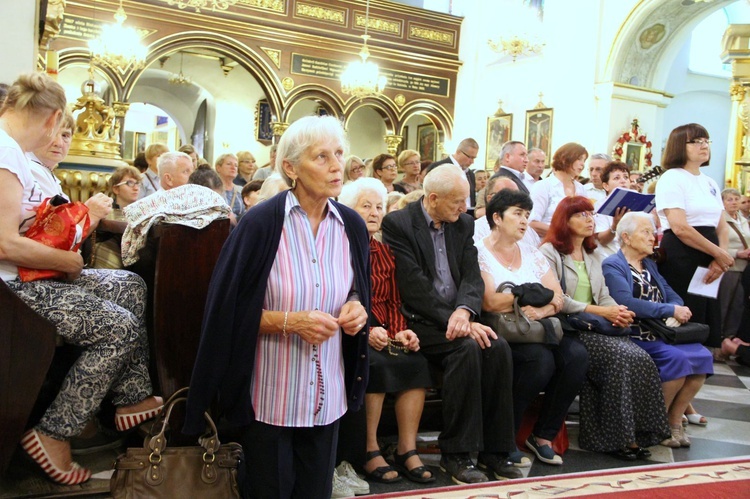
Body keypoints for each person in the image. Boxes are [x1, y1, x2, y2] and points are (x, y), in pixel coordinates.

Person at [185, 115, 371, 499]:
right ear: (290, 168)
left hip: (327, 393)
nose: (337, 165)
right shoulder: (261, 223)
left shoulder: (350, 225)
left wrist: (356, 308)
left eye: (339, 153)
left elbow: (357, 290)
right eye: (321, 157)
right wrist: (290, 322)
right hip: (272, 397)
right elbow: (225, 313)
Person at [0, 73, 162, 485]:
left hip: (30, 276)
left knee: (130, 285)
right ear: (54, 118)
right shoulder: (5, 152)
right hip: (15, 287)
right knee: (119, 328)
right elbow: (4, 245)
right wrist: (67, 261)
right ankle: (54, 431)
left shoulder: (13, 150)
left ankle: (129, 397)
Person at [382, 164, 521, 484]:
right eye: (458, 201)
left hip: (460, 315)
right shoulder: (399, 224)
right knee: (466, 349)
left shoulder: (464, 224)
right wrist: (455, 319)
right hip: (421, 321)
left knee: (497, 348)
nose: (465, 207)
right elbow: (413, 286)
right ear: (432, 198)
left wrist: (465, 312)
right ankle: (456, 454)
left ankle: (496, 452)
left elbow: (471, 275)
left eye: (466, 200)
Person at [539, 196, 669, 459]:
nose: (590, 220)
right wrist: (602, 311)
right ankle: (612, 439)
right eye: (582, 215)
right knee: (619, 358)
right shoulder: (548, 252)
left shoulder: (592, 253)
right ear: (565, 220)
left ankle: (639, 434)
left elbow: (605, 294)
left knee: (641, 358)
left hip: (596, 325)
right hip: (570, 326)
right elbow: (557, 299)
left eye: (591, 214)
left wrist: (618, 311)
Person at [476, 189, 588, 466]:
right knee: (540, 362)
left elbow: (558, 296)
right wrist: (528, 295)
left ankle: (542, 435)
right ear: (497, 218)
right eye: (517, 214)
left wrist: (542, 309)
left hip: (537, 327)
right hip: (503, 332)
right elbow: (490, 301)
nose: (525, 220)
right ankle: (505, 437)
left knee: (577, 357)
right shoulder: (479, 251)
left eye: (527, 214)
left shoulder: (531, 253)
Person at [339, 178, 434, 484]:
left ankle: (406, 448)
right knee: (373, 363)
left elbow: (393, 300)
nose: (374, 212)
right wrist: (367, 331)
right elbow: (338, 298)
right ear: (347, 209)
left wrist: (400, 331)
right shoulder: (339, 247)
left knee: (415, 361)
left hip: (383, 328)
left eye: (379, 206)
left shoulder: (383, 250)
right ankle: (369, 448)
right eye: (365, 206)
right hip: (348, 329)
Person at [602, 212, 713, 448]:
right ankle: (656, 423)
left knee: (702, 356)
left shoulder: (649, 264)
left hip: (660, 332)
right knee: (678, 359)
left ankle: (674, 420)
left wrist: (678, 306)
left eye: (652, 232)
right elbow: (626, 301)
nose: (652, 237)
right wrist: (669, 310)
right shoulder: (613, 264)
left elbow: (669, 291)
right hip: (635, 333)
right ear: (626, 237)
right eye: (645, 232)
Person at [655, 124, 732, 351]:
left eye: (706, 140)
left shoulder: (710, 182)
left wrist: (721, 259)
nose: (704, 145)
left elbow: (722, 227)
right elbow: (680, 227)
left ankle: (698, 370)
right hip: (682, 255)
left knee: (704, 317)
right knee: (685, 314)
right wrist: (718, 253)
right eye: (696, 141)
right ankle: (677, 369)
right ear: (680, 145)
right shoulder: (672, 178)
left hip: (709, 257)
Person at [530, 142, 587, 239]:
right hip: (548, 244)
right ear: (565, 159)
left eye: (584, 160)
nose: (582, 164)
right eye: (579, 159)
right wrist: (565, 233)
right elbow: (532, 224)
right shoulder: (543, 186)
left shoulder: (581, 188)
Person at [474, 176, 541, 248]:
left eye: (517, 195)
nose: (515, 200)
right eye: (507, 196)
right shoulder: (476, 230)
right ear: (491, 199)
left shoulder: (530, 232)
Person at [719, 188, 750, 337]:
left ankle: (729, 339)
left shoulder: (743, 219)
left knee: (738, 306)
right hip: (728, 267)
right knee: (723, 304)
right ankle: (717, 340)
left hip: (744, 268)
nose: (734, 202)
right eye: (729, 199)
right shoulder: (720, 219)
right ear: (723, 202)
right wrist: (737, 253)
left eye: (736, 199)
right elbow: (717, 245)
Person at [426, 138, 479, 217]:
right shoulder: (439, 167)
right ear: (458, 152)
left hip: (466, 217)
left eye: (474, 158)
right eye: (469, 157)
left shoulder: (470, 173)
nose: (472, 161)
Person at [593, 161, 631, 257]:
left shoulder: (635, 202)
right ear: (606, 186)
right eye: (617, 178)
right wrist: (615, 225)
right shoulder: (600, 206)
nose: (623, 181)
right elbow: (602, 240)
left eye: (626, 177)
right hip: (610, 256)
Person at [214, 152, 245, 220]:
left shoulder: (242, 190)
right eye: (229, 164)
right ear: (218, 168)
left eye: (236, 165)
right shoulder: (212, 190)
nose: (233, 167)